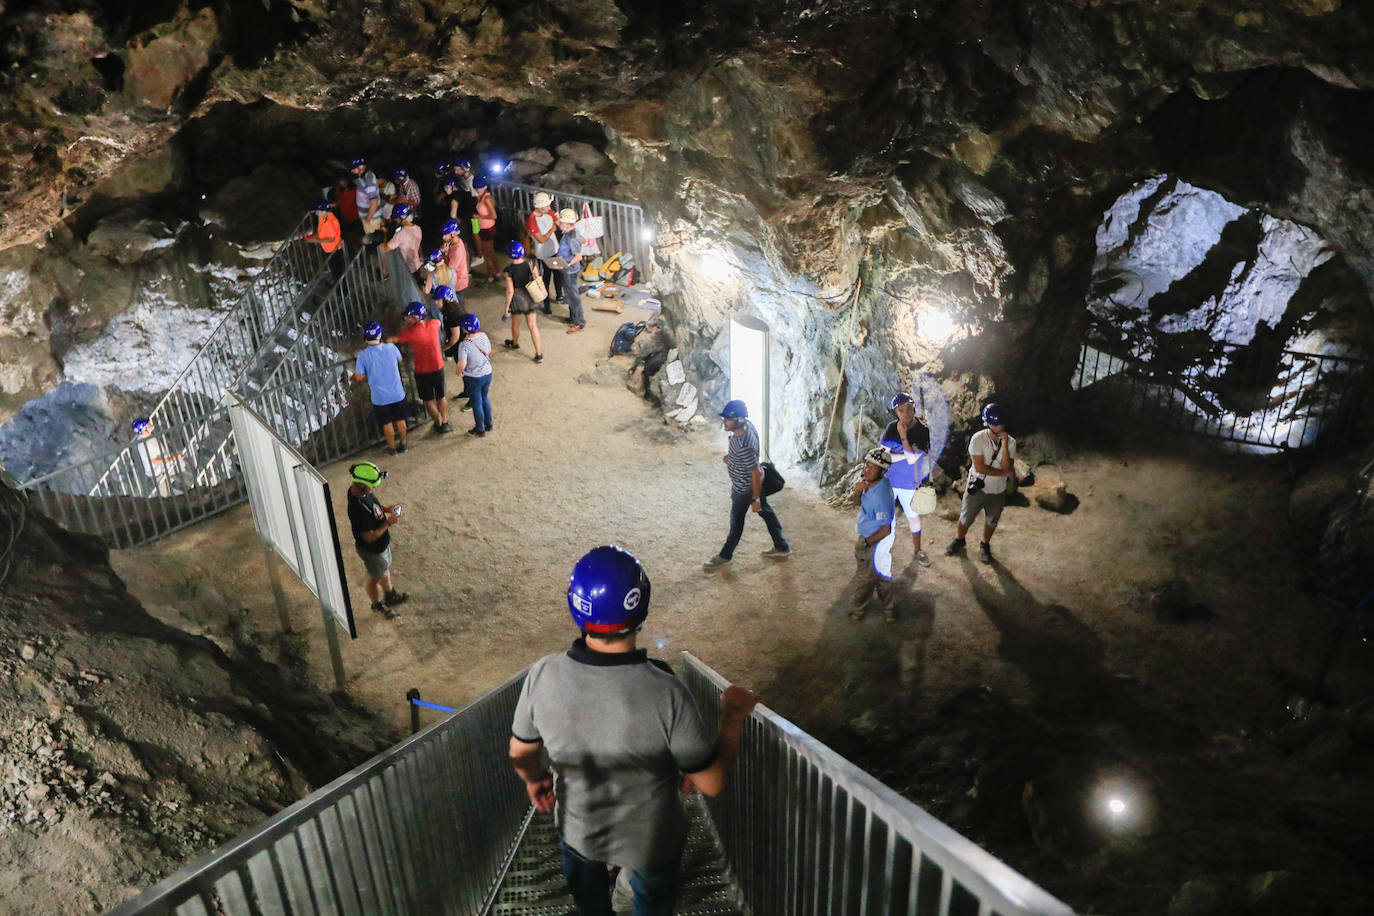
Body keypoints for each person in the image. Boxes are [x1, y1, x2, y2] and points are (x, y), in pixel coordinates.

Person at [509, 545, 757, 916]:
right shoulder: (667, 691)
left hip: (579, 831)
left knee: (590, 905)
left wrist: (535, 779)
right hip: (650, 842)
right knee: (652, 902)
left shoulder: (542, 675)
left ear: (576, 606)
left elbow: (521, 752)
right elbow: (711, 782)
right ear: (640, 609)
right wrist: (733, 716)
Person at [703, 399, 789, 571]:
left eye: (728, 419)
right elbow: (749, 462)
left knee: (736, 523)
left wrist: (755, 499)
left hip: (745, 489)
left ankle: (725, 555)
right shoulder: (747, 427)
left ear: (739, 420)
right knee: (767, 513)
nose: (724, 422)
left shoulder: (743, 444)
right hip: (750, 485)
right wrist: (732, 458)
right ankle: (781, 546)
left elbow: (755, 472)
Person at [947, 402, 1016, 563]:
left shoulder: (1011, 442)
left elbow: (1008, 466)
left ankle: (985, 544)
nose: (1000, 426)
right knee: (966, 517)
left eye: (1001, 423)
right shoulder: (978, 439)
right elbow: (980, 467)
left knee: (992, 519)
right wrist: (1003, 473)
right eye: (996, 424)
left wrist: (1005, 444)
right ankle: (959, 539)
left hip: (998, 490)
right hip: (977, 487)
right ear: (988, 424)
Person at [345, 460, 408, 620]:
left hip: (380, 546)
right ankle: (376, 604)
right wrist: (388, 523)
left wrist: (388, 509)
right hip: (372, 550)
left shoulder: (361, 492)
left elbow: (375, 506)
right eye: (372, 485)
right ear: (361, 484)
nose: (374, 488)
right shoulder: (357, 508)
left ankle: (389, 594)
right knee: (374, 578)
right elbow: (369, 536)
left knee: (382, 571)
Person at [881, 392, 933, 567]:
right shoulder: (891, 428)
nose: (906, 413)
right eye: (901, 410)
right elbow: (883, 454)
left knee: (913, 517)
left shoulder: (922, 431)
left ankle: (917, 550)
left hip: (909, 482)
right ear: (896, 412)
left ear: (914, 409)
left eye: (909, 408)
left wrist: (903, 436)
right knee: (887, 517)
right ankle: (883, 549)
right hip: (890, 480)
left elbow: (912, 459)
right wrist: (906, 453)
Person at [388, 301, 451, 434]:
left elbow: (393, 339)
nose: (406, 319)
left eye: (408, 317)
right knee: (441, 396)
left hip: (422, 372)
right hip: (438, 367)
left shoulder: (410, 333)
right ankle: (445, 421)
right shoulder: (434, 324)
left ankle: (438, 423)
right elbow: (439, 323)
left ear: (415, 318)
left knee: (428, 400)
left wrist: (381, 342)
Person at [850, 447, 898, 622]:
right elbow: (857, 503)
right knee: (882, 575)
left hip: (875, 540)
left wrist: (867, 543)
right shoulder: (872, 484)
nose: (866, 469)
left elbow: (885, 530)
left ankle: (857, 610)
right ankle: (889, 609)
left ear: (882, 471)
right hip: (874, 537)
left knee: (866, 578)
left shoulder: (881, 496)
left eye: (872, 467)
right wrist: (859, 491)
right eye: (867, 465)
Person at [352, 321, 409, 455]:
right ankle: (404, 444)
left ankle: (392, 448)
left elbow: (359, 377)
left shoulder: (363, 355)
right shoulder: (391, 347)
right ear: (380, 335)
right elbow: (400, 359)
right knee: (400, 420)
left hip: (380, 397)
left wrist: (365, 376)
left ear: (365, 337)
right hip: (397, 392)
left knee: (386, 423)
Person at [502, 241, 544, 364]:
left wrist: (506, 309)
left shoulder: (508, 270)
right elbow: (537, 277)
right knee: (532, 326)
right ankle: (539, 354)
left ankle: (514, 343)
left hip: (517, 300)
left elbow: (510, 291)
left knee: (515, 324)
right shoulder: (530, 263)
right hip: (530, 296)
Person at [455, 313, 493, 436]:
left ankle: (480, 429)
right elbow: (489, 350)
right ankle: (489, 424)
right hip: (487, 373)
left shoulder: (464, 345)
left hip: (473, 378)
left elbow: (462, 363)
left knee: (477, 403)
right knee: (485, 398)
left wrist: (458, 371)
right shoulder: (483, 335)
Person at [132, 417, 184, 497]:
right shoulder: (145, 443)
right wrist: (172, 458)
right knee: (164, 495)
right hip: (158, 473)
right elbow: (155, 460)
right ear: (144, 429)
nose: (150, 424)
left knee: (168, 491)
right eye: (148, 424)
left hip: (161, 470)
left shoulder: (145, 438)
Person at [526, 191, 560, 311]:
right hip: (543, 254)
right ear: (540, 207)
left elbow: (558, 221)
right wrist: (552, 229)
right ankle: (546, 303)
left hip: (554, 250)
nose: (550, 207)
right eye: (547, 205)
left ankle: (559, 296)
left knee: (557, 274)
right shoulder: (532, 220)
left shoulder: (548, 212)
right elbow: (541, 239)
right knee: (546, 278)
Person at [555, 208, 586, 333]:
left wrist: (564, 264)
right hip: (567, 269)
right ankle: (573, 317)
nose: (559, 223)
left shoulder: (571, 237)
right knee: (569, 295)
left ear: (567, 224)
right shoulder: (570, 232)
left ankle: (579, 322)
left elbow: (578, 257)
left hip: (569, 271)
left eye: (561, 222)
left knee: (574, 297)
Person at [301, 200, 345, 280]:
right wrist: (311, 237)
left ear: (324, 211)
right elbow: (321, 232)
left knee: (338, 275)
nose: (317, 214)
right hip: (330, 250)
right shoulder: (323, 218)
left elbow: (331, 239)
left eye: (318, 212)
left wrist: (314, 240)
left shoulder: (329, 223)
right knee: (335, 273)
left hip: (334, 251)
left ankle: (341, 287)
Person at [473, 176, 499, 282]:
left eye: (480, 187)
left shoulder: (487, 198)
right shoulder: (480, 197)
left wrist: (479, 217)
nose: (478, 189)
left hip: (487, 228)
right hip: (484, 227)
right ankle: (497, 271)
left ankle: (490, 275)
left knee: (487, 253)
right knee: (490, 252)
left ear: (484, 187)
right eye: (476, 188)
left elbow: (494, 216)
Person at [350, 156, 383, 242]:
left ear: (360, 168)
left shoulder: (368, 178)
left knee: (373, 241)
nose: (351, 171)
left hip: (372, 218)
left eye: (353, 169)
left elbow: (374, 203)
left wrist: (368, 219)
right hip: (368, 217)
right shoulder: (361, 177)